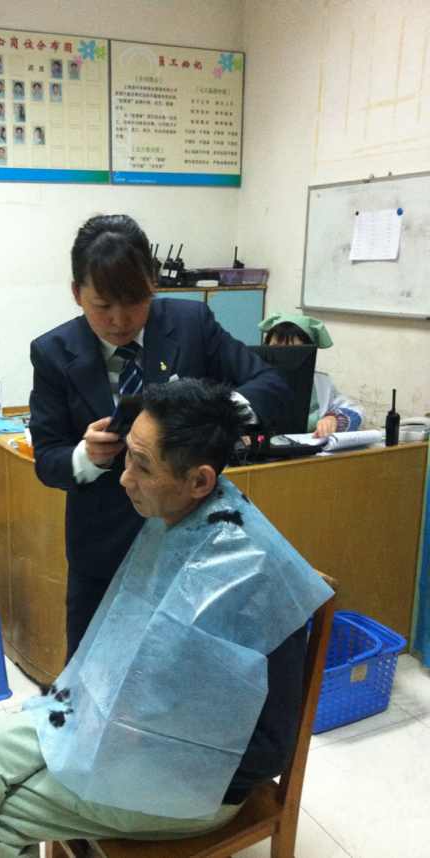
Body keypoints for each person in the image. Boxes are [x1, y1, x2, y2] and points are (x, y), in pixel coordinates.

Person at [0, 380, 331, 858]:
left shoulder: (253, 575)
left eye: (142, 465)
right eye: (127, 457)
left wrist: (144, 742)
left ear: (200, 481)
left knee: (0, 817)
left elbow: (268, 749)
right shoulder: (178, 520)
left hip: (194, 780)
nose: (124, 478)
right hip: (110, 725)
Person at [29, 214, 291, 660]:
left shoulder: (191, 322)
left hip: (194, 544)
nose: (119, 321)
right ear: (77, 293)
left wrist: (209, 414)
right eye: (102, 305)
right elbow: (47, 460)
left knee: (187, 671)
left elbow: (271, 387)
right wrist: (86, 456)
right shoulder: (53, 352)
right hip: (103, 550)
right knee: (94, 670)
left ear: (152, 282)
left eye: (134, 301)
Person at [259, 312, 364, 437]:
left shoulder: (321, 383)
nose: (284, 355)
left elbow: (355, 410)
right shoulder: (252, 379)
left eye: (294, 350)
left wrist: (333, 419)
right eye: (277, 347)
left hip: (310, 446)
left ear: (310, 353)